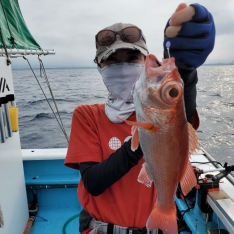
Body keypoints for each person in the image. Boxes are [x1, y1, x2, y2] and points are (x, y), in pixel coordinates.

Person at [65, 3, 215, 234]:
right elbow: (93, 183)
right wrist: (142, 141)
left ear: (144, 62)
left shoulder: (158, 110)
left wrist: (185, 71)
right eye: (112, 60)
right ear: (99, 67)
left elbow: (178, 109)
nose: (122, 66)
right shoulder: (87, 115)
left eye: (132, 57)